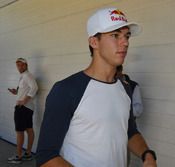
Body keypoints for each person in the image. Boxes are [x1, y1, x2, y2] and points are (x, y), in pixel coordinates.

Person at [36, 7, 157, 167]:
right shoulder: (66, 90)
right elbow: (46, 156)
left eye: (126, 36)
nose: (126, 42)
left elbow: (129, 131)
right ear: (94, 42)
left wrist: (147, 155)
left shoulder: (125, 88)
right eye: (115, 35)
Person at [7, 58, 38, 164]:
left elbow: (35, 87)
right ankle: (28, 154)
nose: (19, 67)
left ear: (26, 65)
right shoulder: (23, 77)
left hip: (23, 108)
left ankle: (19, 156)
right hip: (27, 108)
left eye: (21, 65)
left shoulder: (27, 75)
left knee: (19, 131)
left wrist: (24, 100)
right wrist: (16, 92)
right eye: (18, 65)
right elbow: (26, 90)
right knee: (29, 129)